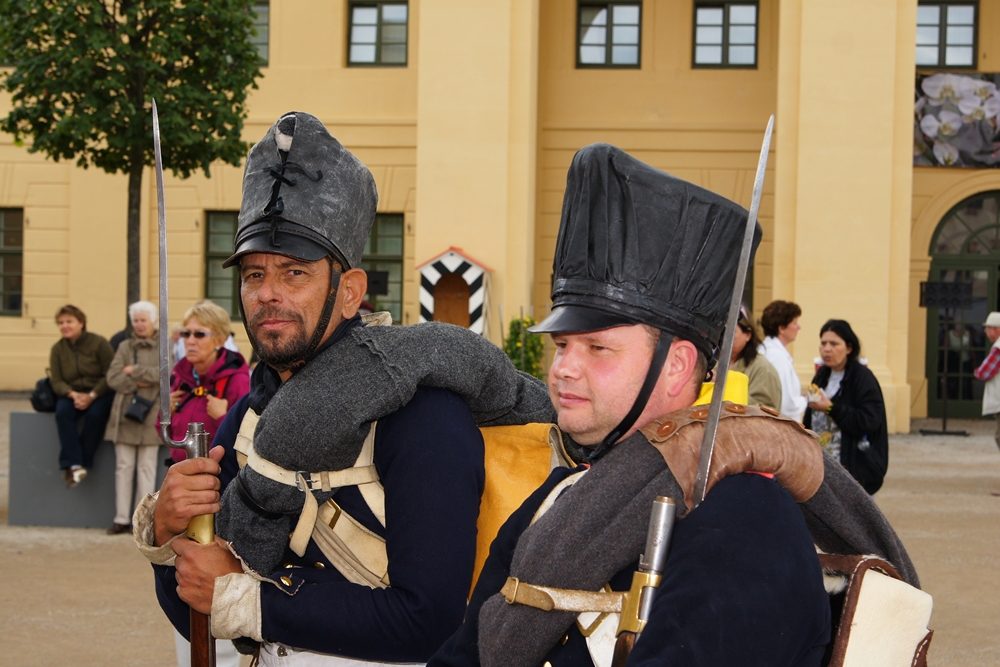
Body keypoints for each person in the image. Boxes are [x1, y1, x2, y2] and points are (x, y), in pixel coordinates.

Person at [429, 145, 918, 667]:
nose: (564, 368)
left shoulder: (745, 518)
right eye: (562, 346)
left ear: (678, 365)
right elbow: (466, 653)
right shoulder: (562, 493)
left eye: (596, 347)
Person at [134, 112, 552, 665]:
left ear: (351, 292)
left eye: (295, 274)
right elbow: (195, 613)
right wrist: (170, 536)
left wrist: (249, 597)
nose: (267, 295)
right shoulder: (247, 418)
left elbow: (431, 621)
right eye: (254, 275)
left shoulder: (424, 415)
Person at [804, 320, 889, 495]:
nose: (826, 349)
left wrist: (831, 408)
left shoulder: (863, 378)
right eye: (823, 343)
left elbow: (869, 421)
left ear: (849, 348)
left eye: (834, 344)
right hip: (821, 470)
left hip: (852, 471)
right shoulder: (821, 376)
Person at [104, 301, 164, 534]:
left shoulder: (164, 344)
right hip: (126, 414)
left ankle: (141, 521)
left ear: (153, 321)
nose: (139, 324)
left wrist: (134, 371)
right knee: (124, 466)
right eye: (136, 320)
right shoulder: (125, 345)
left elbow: (165, 374)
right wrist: (142, 382)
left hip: (152, 412)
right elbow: (113, 378)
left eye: (143, 320)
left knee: (146, 468)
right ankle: (121, 518)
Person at [167, 300, 251, 463]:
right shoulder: (182, 375)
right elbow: (163, 431)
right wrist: (166, 414)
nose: (190, 341)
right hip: (181, 471)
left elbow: (249, 444)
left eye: (199, 334)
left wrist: (222, 418)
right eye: (186, 334)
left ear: (219, 340)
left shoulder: (237, 380)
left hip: (218, 478)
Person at [49, 304, 115, 487]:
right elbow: (56, 380)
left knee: (96, 415)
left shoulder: (99, 343)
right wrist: (72, 394)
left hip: (99, 392)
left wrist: (92, 395)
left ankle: (84, 461)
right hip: (72, 394)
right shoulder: (58, 349)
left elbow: (110, 374)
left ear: (81, 323)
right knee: (63, 413)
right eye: (61, 323)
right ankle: (74, 464)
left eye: (69, 321)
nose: (64, 326)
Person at [759, 300, 808, 421]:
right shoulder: (777, 357)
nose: (799, 327)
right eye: (795, 323)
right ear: (781, 328)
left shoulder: (765, 350)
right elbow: (786, 404)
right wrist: (806, 400)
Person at [730, 306, 782, 412]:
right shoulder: (712, 365)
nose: (723, 338)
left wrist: (725, 385)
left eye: (731, 332)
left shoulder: (762, 369)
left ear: (748, 335)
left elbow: (767, 411)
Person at [974, 311, 1000, 451]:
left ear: (995, 329)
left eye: (988, 328)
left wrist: (976, 371)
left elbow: (983, 373)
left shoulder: (998, 348)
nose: (986, 332)